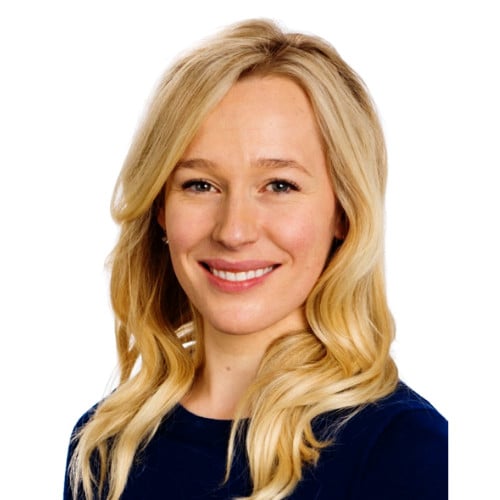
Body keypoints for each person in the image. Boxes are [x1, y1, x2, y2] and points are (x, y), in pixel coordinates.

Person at [64, 18, 448, 500]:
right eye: (200, 184)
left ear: (343, 212)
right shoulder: (106, 447)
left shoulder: (406, 450)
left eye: (280, 185)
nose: (233, 231)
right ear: (160, 206)